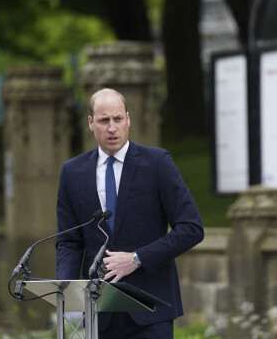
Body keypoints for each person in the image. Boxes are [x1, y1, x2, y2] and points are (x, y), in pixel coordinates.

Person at [55, 88, 204, 338]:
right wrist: (70, 295)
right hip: (98, 313)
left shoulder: (157, 163)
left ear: (128, 119)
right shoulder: (72, 172)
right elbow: (69, 241)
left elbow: (191, 228)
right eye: (104, 121)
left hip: (151, 309)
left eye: (118, 119)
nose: (112, 128)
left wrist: (136, 258)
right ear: (91, 123)